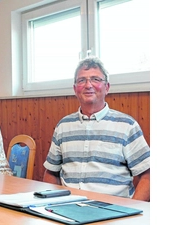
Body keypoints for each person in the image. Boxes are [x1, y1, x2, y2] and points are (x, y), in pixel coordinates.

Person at [42, 56, 150, 201]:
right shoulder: (63, 126)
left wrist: (133, 210)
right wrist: (52, 203)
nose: (88, 85)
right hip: (68, 207)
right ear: (75, 89)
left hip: (113, 210)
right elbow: (51, 173)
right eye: (82, 80)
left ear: (107, 87)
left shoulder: (127, 126)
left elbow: (148, 175)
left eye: (96, 79)